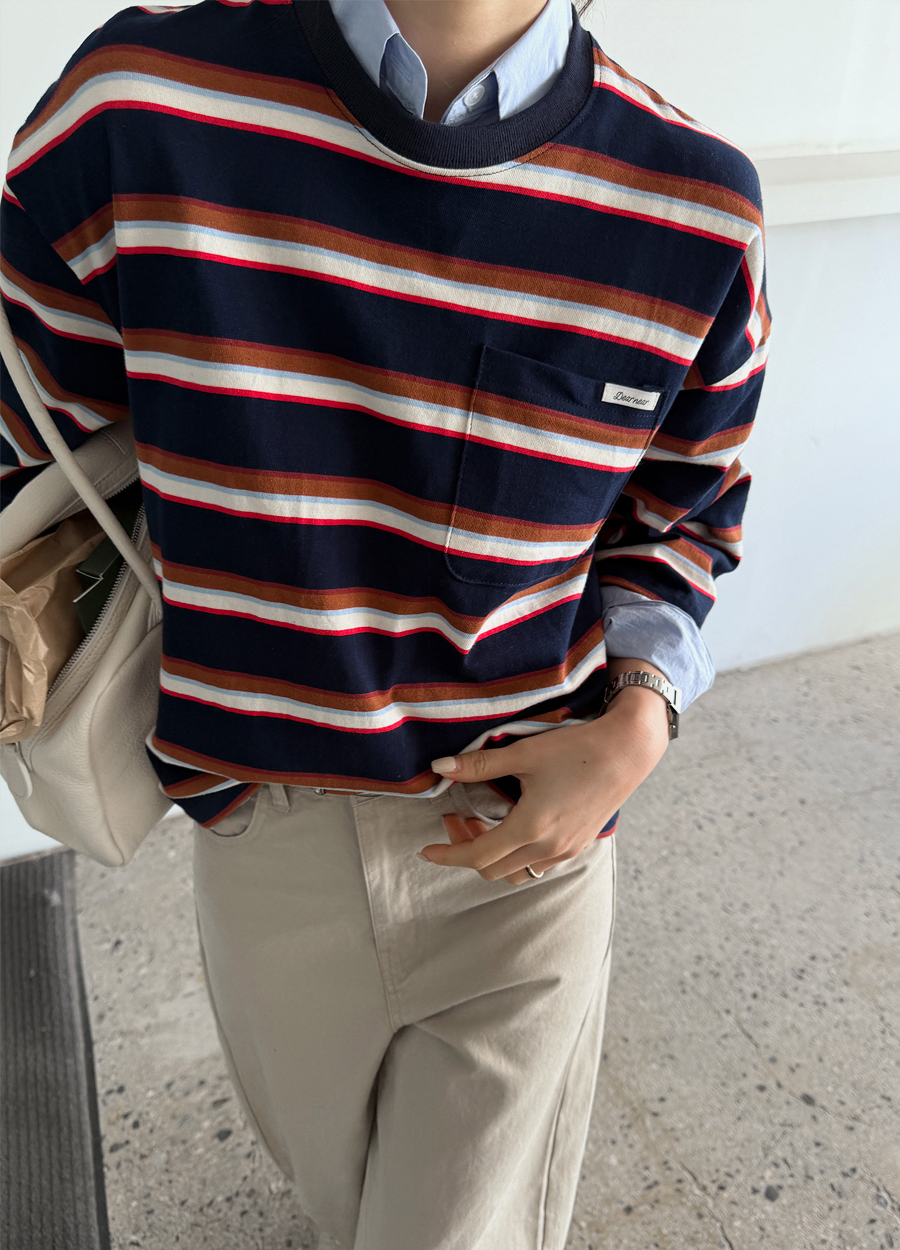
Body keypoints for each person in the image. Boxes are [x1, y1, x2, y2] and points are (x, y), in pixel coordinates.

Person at [0, 0, 769, 1245]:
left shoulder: (693, 209)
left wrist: (641, 720)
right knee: (342, 1205)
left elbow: (685, 518)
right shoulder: (140, 107)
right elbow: (27, 442)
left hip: (524, 848)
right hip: (259, 831)